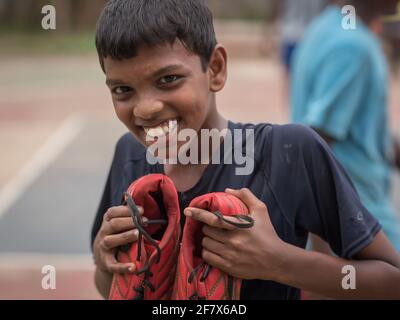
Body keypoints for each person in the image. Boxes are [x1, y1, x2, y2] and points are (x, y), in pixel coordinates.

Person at [91, 0, 400, 300]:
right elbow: (110, 286)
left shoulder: (288, 153)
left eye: (168, 79)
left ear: (216, 69)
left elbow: (392, 280)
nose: (146, 109)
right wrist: (106, 261)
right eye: (122, 90)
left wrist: (278, 261)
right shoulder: (129, 155)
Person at [291, 0, 400, 252]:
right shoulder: (353, 46)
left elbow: (356, 133)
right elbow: (316, 139)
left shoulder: (325, 27)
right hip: (361, 221)